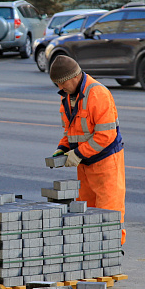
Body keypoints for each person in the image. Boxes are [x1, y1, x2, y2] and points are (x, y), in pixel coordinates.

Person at [49, 55, 126, 244]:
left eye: (62, 83)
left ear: (75, 76)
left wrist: (77, 154)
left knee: (109, 213)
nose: (60, 88)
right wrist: (63, 148)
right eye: (57, 84)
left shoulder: (98, 94)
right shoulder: (67, 97)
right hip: (84, 165)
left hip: (105, 163)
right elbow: (71, 132)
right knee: (87, 214)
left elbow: (105, 136)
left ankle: (113, 252)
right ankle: (92, 255)